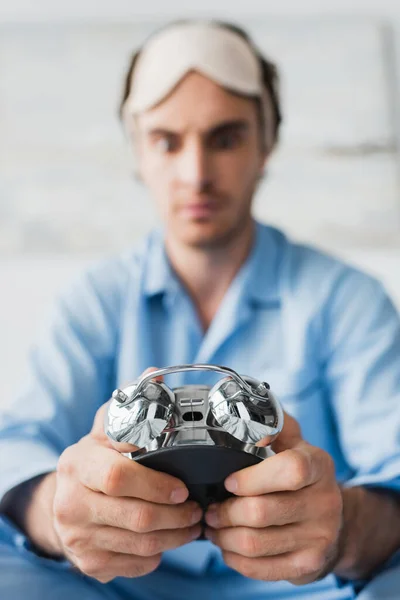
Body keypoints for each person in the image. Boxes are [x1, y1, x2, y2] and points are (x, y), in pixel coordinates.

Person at [0, 19, 400, 600]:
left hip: (308, 589)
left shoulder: (348, 301)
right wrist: (56, 514)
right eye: (166, 140)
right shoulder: (95, 299)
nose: (196, 174)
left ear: (267, 143)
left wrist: (344, 527)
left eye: (226, 137)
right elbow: (15, 448)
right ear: (136, 150)